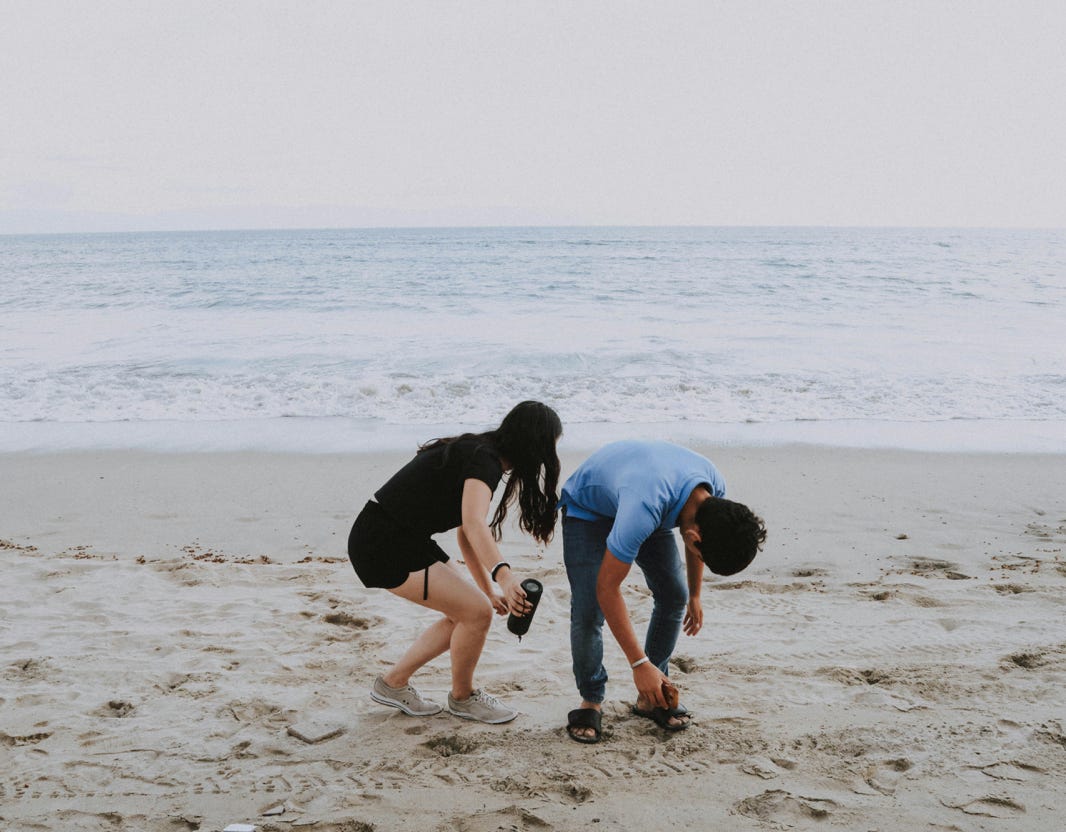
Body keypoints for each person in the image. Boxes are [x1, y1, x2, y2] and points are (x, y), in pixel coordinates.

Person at [347, 401, 562, 724]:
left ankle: (393, 683)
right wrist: (504, 577)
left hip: (401, 535)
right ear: (534, 443)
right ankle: (463, 698)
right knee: (475, 613)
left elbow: (466, 533)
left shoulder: (481, 452)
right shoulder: (484, 460)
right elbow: (475, 525)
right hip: (382, 542)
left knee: (470, 609)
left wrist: (487, 589)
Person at [560, 439, 766, 743]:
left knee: (674, 594)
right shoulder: (644, 508)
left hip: (644, 495)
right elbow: (608, 588)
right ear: (695, 537)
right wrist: (638, 663)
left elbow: (697, 544)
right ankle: (590, 699)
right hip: (588, 508)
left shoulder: (712, 490)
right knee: (590, 608)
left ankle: (651, 697)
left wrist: (694, 595)